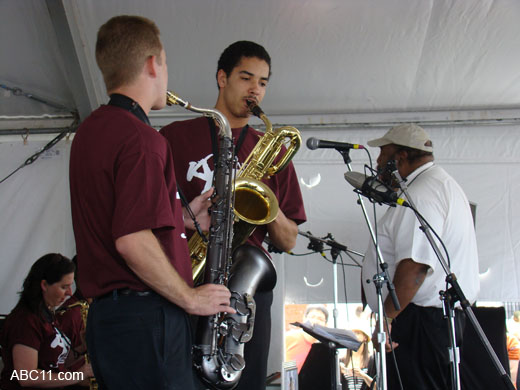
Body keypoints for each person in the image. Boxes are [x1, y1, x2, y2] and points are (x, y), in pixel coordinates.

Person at [69, 15, 234, 390]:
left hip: (109, 321)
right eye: (166, 63)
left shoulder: (90, 130)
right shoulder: (143, 139)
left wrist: (183, 219)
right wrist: (190, 299)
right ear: (151, 64)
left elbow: (113, 215)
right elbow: (131, 239)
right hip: (148, 319)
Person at [160, 40, 307, 390]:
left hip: (247, 293)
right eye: (246, 78)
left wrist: (262, 197)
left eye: (263, 82)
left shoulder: (270, 149)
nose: (255, 89)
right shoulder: (172, 138)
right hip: (187, 279)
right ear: (222, 78)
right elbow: (154, 216)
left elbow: (287, 240)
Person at [360, 124, 480, 389]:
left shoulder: (421, 194)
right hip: (432, 321)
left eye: (383, 153)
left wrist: (388, 318)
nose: (378, 161)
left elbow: (415, 268)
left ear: (399, 158)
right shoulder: (441, 184)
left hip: (420, 323)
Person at [0, 253, 93, 389]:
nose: (69, 293)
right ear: (44, 284)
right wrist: (77, 375)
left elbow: (54, 363)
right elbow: (26, 376)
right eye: (63, 287)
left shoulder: (47, 314)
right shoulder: (26, 321)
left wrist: (82, 348)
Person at [285, 305, 329, 373]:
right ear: (304, 319)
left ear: (326, 324)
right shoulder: (289, 337)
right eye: (312, 317)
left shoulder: (325, 346)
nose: (315, 321)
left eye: (320, 319)